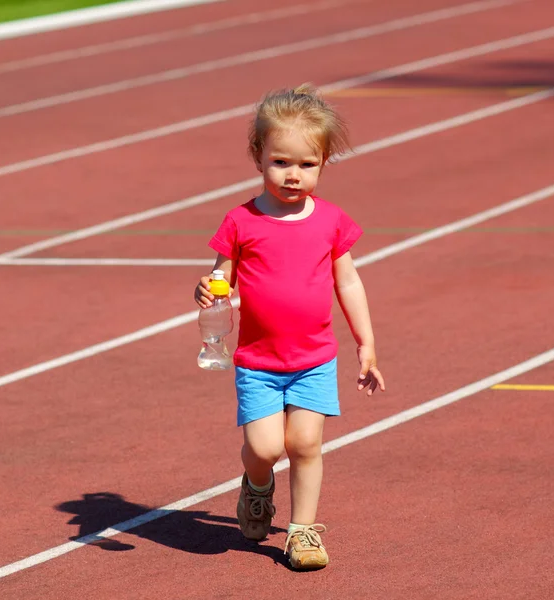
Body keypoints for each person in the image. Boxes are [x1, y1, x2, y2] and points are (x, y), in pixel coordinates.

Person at [195, 83, 385, 570]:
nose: (294, 175)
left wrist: (366, 345)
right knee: (264, 447)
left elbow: (349, 284)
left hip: (314, 359)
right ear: (259, 156)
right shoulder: (241, 221)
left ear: (323, 164)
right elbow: (221, 279)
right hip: (259, 362)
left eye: (307, 165)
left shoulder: (331, 222)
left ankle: (302, 532)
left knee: (304, 444)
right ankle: (257, 486)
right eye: (282, 162)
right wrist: (208, 288)